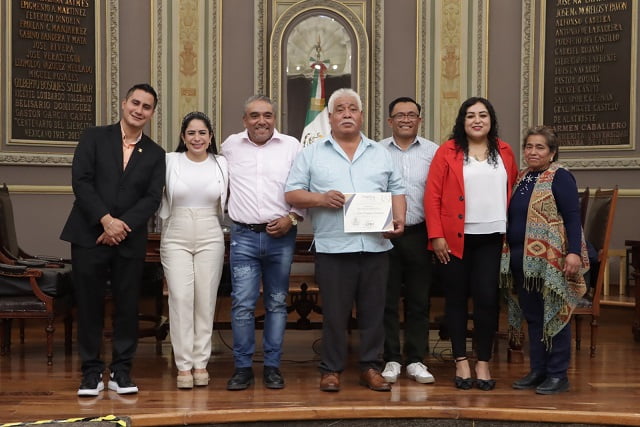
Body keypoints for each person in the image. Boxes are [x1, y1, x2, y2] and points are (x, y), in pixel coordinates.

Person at [285, 88, 406, 393]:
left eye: (353, 109)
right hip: (333, 248)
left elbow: (397, 191)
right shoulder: (311, 153)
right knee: (335, 315)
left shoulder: (381, 153)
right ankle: (331, 370)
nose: (347, 114)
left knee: (374, 313)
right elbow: (292, 193)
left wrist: (399, 219)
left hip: (375, 247)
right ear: (330, 117)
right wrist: (321, 198)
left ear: (362, 116)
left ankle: (370, 367)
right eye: (340, 109)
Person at [61, 83, 166, 396]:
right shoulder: (94, 137)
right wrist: (106, 221)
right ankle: (91, 373)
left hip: (129, 240)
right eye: (135, 103)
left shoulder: (156, 153)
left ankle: (122, 371)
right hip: (88, 234)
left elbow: (151, 198)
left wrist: (121, 226)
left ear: (151, 114)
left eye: (146, 107)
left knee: (127, 306)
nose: (139, 110)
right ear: (124, 104)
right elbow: (81, 181)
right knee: (89, 305)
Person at [424, 96, 517, 391]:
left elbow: (512, 190)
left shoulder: (504, 151)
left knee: (488, 300)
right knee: (456, 300)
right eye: (470, 116)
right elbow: (432, 196)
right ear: (462, 121)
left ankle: (484, 363)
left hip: (492, 239)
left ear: (491, 121)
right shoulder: (447, 152)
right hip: (453, 240)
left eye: (483, 115)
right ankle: (461, 361)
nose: (477, 120)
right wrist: (436, 235)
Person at [221, 95, 303, 391]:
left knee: (277, 303)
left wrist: (292, 218)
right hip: (242, 236)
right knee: (242, 304)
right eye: (254, 116)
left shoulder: (292, 146)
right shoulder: (229, 146)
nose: (261, 121)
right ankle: (242, 368)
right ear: (245, 120)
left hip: (281, 237)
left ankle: (272, 367)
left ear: (274, 118)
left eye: (267, 115)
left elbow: (305, 184)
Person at [500, 125, 588, 395]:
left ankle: (557, 374)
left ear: (551, 152)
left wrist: (573, 252)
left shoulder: (560, 176)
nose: (532, 151)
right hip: (522, 261)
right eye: (529, 146)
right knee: (534, 317)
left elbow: (573, 218)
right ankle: (538, 370)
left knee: (555, 313)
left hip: (550, 261)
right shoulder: (522, 176)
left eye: (540, 147)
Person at [159, 112, 228, 389]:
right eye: (191, 133)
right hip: (176, 232)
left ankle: (201, 363)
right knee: (181, 298)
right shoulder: (169, 161)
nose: (197, 138)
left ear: (210, 137)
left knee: (205, 299)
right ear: (182, 137)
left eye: (202, 133)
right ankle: (183, 365)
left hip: (211, 232)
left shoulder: (221, 163)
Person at [379, 97, 438, 384]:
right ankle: (391, 358)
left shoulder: (433, 152)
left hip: (419, 233)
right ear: (389, 121)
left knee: (418, 301)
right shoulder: (374, 151)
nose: (405, 119)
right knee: (386, 300)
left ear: (419, 119)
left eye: (411, 114)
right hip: (382, 235)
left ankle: (416, 359)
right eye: (399, 115)